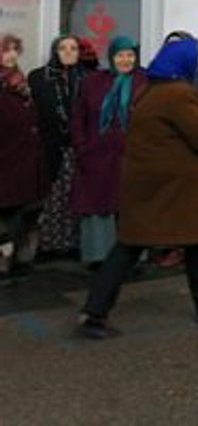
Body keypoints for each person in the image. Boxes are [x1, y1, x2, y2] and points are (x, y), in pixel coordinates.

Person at [76, 36, 198, 339]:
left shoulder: (148, 89)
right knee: (191, 241)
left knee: (145, 244)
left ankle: (94, 312)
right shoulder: (181, 94)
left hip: (147, 183)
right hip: (177, 186)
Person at [70, 37, 146, 267]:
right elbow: (78, 116)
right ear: (111, 57)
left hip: (132, 154)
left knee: (131, 205)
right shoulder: (93, 82)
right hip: (96, 153)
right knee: (97, 205)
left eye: (130, 55)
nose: (125, 60)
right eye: (120, 55)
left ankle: (133, 258)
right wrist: (81, 146)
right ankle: (99, 256)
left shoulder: (144, 82)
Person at [28, 34, 85, 256]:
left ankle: (72, 243)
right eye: (63, 48)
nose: (69, 52)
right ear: (55, 51)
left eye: (74, 48)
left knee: (74, 195)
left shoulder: (85, 77)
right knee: (50, 197)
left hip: (77, 146)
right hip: (49, 145)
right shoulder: (39, 77)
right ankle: (49, 245)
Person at [1, 33, 46, 285]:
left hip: (26, 159)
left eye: (14, 50)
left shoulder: (21, 83)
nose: (10, 56)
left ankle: (18, 261)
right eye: (5, 51)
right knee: (6, 215)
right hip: (6, 158)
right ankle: (4, 263)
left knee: (22, 212)